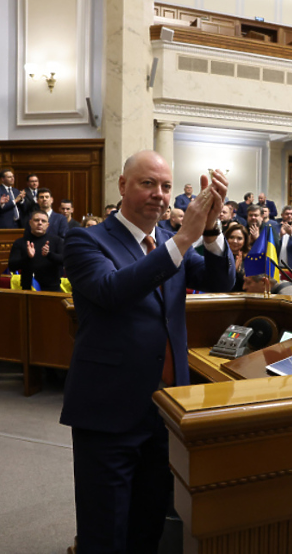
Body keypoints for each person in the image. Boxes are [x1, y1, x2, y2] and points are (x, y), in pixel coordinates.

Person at [60, 151, 234, 553]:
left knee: (148, 525)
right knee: (105, 531)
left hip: (165, 409)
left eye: (167, 186)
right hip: (109, 409)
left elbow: (220, 280)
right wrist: (184, 237)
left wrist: (210, 230)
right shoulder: (86, 239)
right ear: (122, 186)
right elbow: (112, 291)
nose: (159, 194)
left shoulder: (168, 244)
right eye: (147, 183)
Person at [8, 210, 64, 292]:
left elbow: (64, 261)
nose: (40, 223)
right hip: (29, 289)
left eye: (43, 221)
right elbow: (12, 266)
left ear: (47, 225)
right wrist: (28, 257)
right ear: (30, 222)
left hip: (52, 289)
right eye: (36, 220)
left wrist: (49, 254)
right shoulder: (20, 242)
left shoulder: (57, 241)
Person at [225, 222, 250, 292]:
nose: (235, 241)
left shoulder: (249, 259)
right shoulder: (220, 256)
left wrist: (238, 272)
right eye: (231, 237)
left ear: (245, 241)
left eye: (239, 238)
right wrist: (233, 270)